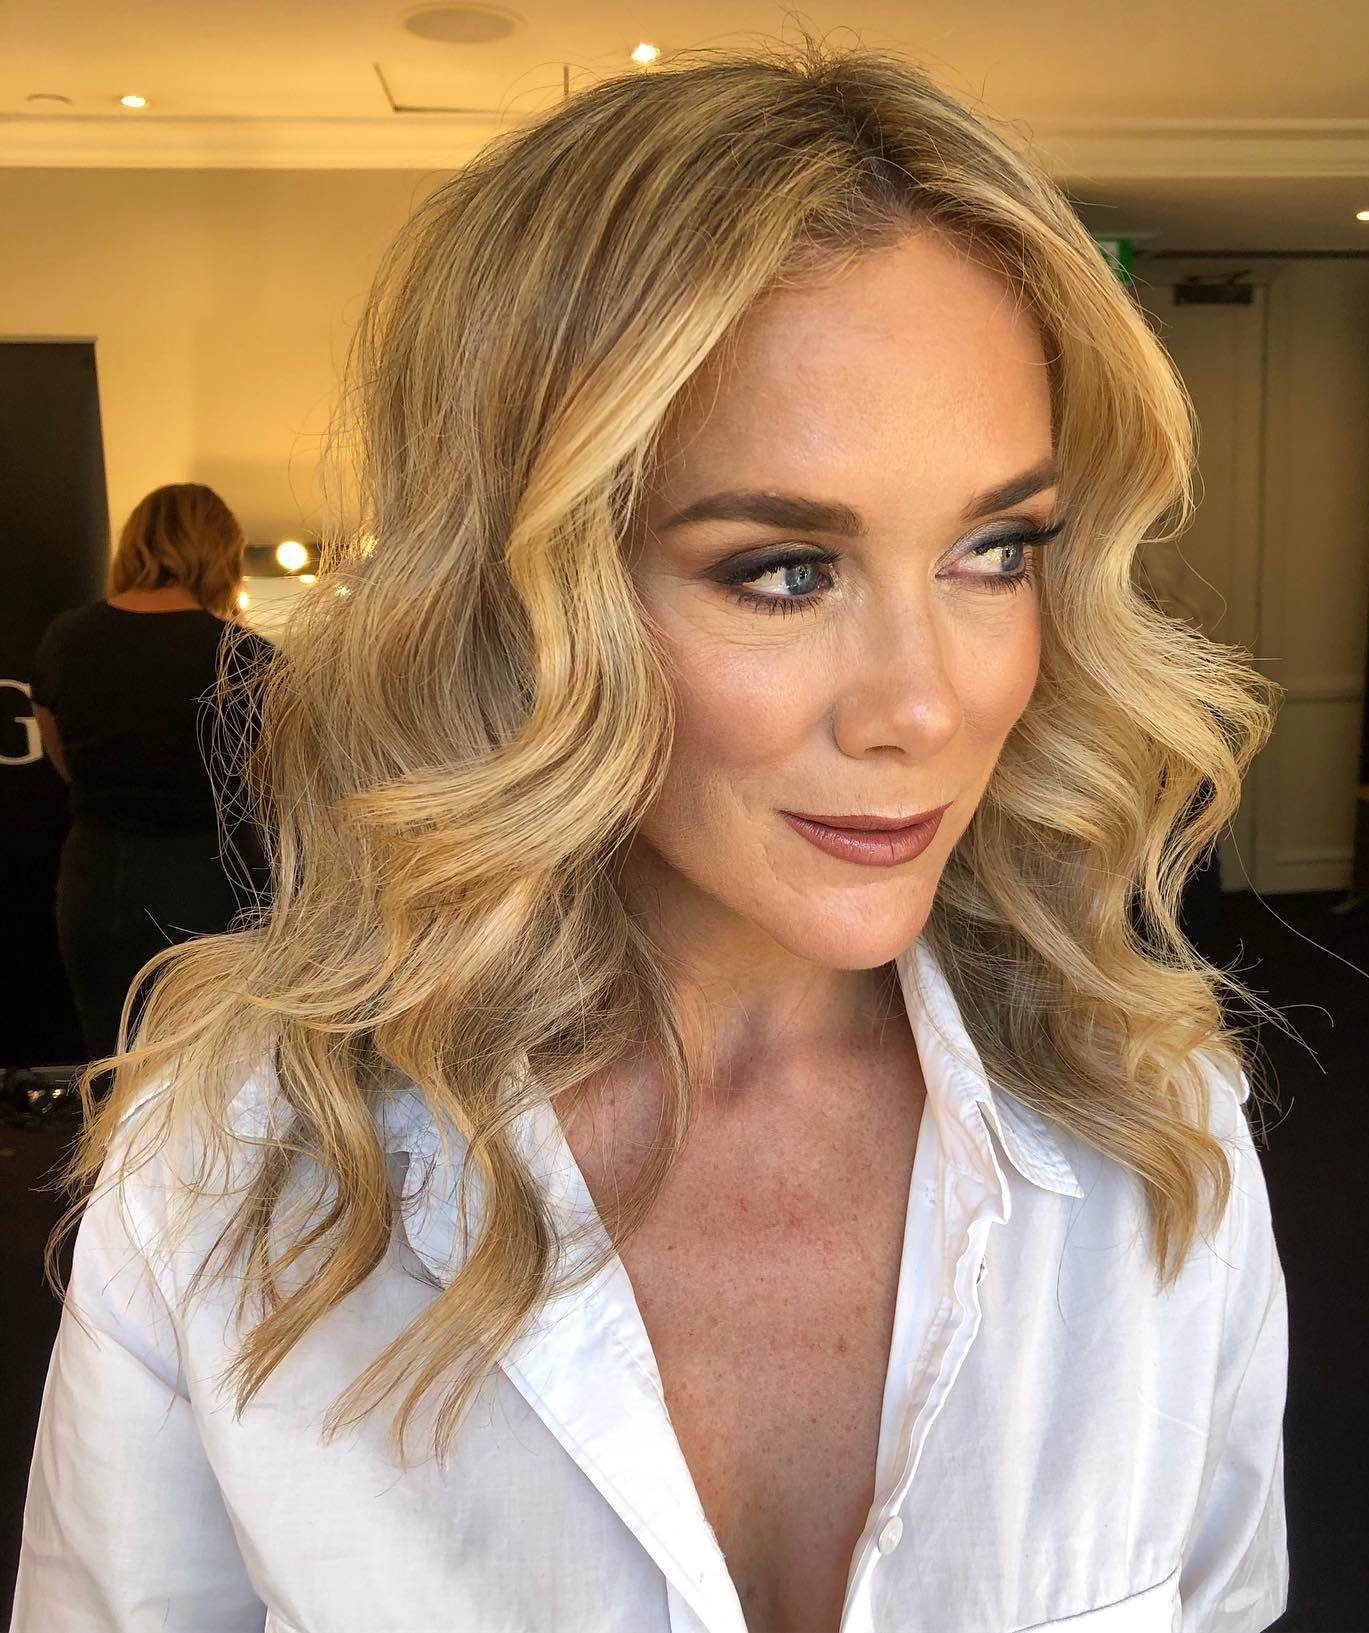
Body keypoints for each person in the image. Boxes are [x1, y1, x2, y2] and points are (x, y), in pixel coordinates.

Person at [13, 39, 1291, 1633]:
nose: (927, 705)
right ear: (517, 598)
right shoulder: (237, 1174)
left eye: (994, 549)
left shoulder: (1156, 1131)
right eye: (784, 569)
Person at [29, 481, 273, 1068]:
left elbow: (65, 764)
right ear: (220, 551)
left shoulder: (67, 640)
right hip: (220, 884)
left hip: (102, 884)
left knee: (113, 1069)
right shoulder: (246, 655)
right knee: (215, 1077)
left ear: (135, 542)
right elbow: (272, 789)